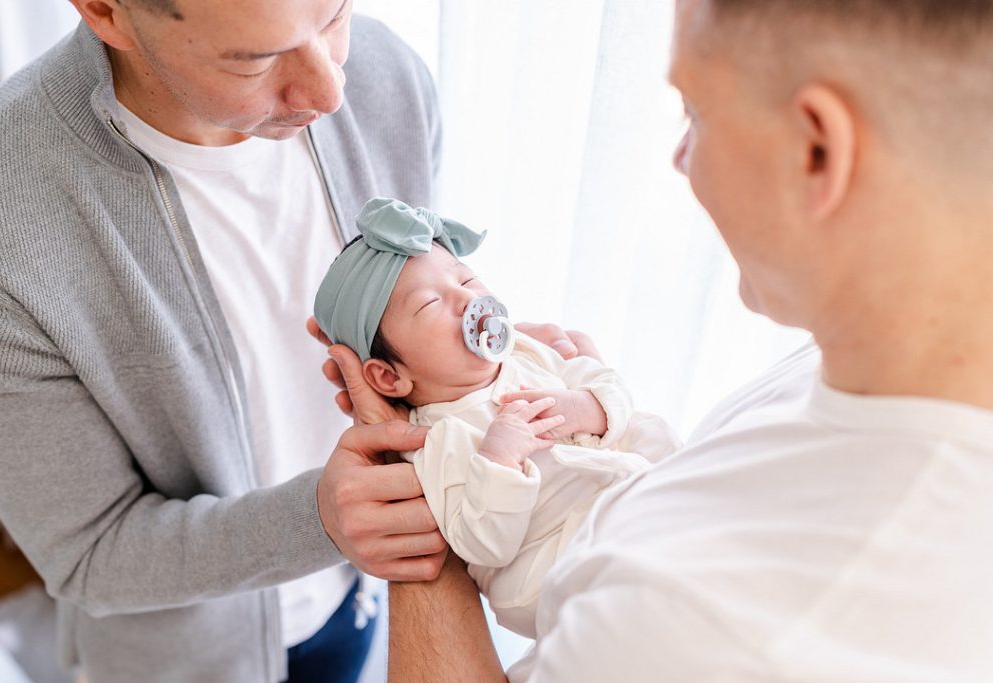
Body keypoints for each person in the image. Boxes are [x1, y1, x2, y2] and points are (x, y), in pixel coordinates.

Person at [312, 0, 993, 680]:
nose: (679, 157)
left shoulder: (683, 623)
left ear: (818, 148)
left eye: (695, 112)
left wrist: (406, 511)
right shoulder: (855, 366)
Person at [0, 0, 478, 680]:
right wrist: (318, 521)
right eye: (256, 60)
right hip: (188, 659)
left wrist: (473, 366)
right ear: (104, 11)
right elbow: (90, 553)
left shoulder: (387, 78)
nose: (331, 91)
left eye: (334, 16)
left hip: (358, 602)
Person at [312, 197, 680, 638]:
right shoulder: (433, 441)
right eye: (431, 305)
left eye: (467, 279)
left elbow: (605, 383)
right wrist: (499, 460)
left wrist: (584, 407)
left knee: (655, 436)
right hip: (558, 558)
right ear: (389, 377)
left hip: (627, 496)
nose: (468, 299)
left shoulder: (525, 351)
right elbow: (484, 545)